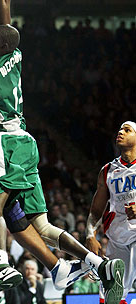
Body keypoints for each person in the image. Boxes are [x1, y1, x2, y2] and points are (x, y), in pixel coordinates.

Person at [0, 0, 125, 304]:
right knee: (39, 223)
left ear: (0, 44)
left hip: (5, 140)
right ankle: (97, 263)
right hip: (25, 140)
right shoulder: (15, 54)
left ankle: (1, 262)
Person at [86, 121, 136, 304]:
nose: (121, 132)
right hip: (118, 237)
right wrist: (90, 235)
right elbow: (96, 210)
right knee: (111, 296)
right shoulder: (108, 171)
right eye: (120, 129)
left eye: (127, 130)